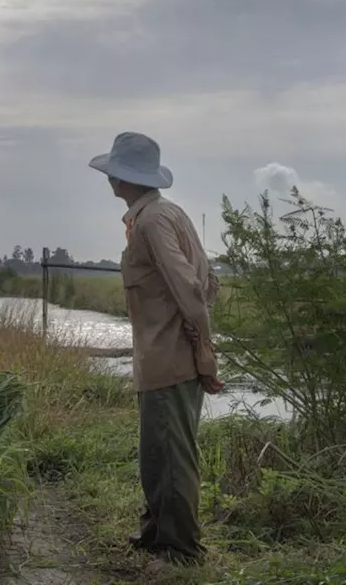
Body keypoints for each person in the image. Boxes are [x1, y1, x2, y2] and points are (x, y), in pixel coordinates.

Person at [88, 131, 225, 569]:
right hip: (161, 356)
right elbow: (209, 281)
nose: (110, 180)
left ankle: (180, 550)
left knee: (172, 456)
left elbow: (190, 287)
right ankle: (156, 532)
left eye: (114, 173)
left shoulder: (150, 222)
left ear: (123, 178)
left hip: (171, 358)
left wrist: (203, 353)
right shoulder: (164, 214)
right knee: (156, 453)